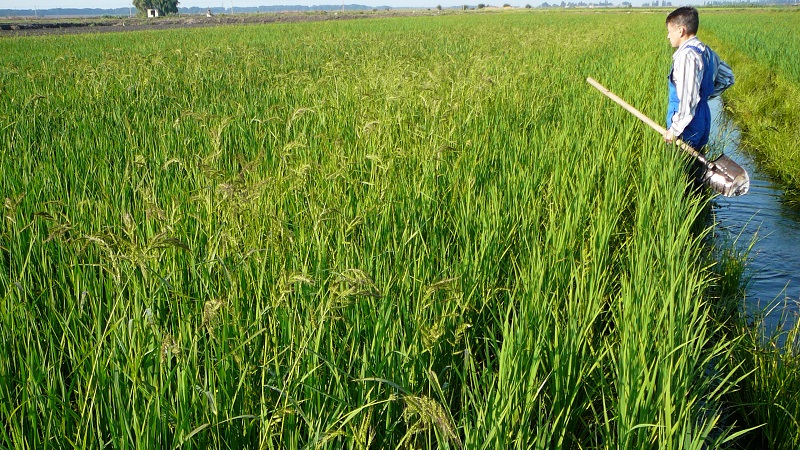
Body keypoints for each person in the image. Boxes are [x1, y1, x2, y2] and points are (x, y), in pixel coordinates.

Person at [664, 6, 735, 150]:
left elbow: (688, 98)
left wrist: (674, 130)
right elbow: (728, 77)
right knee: (697, 164)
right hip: (703, 118)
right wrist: (703, 97)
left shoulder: (686, 57)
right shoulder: (707, 52)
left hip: (687, 126)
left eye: (669, 31)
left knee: (682, 169)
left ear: (681, 30)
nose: (668, 36)